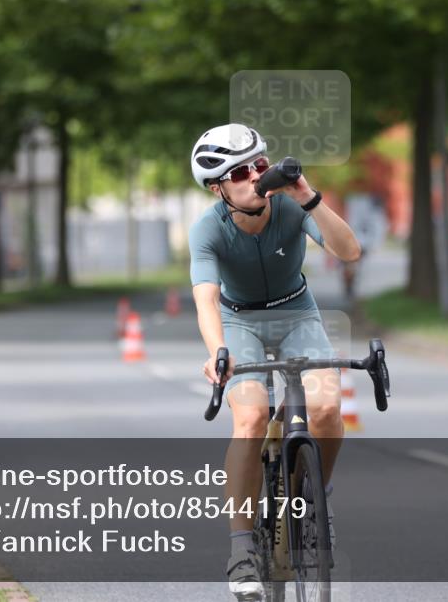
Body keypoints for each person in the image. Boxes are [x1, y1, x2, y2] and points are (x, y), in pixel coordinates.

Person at [188, 123, 361, 599]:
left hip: (297, 313)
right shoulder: (208, 229)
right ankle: (242, 549)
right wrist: (217, 352)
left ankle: (311, 500)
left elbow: (349, 251)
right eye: (239, 173)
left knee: (326, 409)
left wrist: (306, 195)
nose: (255, 177)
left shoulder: (289, 206)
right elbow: (206, 300)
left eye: (260, 166)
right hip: (239, 320)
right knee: (251, 419)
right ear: (218, 188)